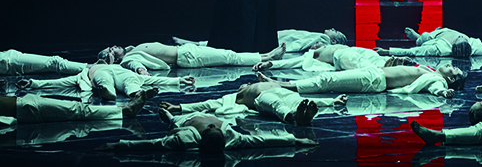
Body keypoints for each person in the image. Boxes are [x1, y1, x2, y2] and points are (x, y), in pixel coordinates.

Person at [96, 108, 317, 153]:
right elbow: (264, 141)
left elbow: (151, 145)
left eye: (210, 129)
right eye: (215, 129)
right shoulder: (233, 138)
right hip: (214, 113)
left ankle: (170, 116)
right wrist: (296, 141)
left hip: (184, 120)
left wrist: (118, 145)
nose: (212, 126)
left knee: (170, 117)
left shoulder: (184, 139)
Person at [160, 81, 347, 125]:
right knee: (275, 104)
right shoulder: (235, 96)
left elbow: (300, 96)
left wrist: (333, 101)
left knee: (301, 101)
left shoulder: (254, 85)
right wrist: (179, 107)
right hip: (262, 98)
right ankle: (292, 116)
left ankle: (304, 114)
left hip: (284, 92)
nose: (245, 84)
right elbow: (207, 104)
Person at [15, 58, 195, 100]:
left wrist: (179, 80)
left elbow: (154, 80)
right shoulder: (89, 70)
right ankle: (109, 92)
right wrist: (34, 83)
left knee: (132, 82)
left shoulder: (120, 66)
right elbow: (60, 82)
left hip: (123, 74)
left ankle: (137, 93)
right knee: (105, 80)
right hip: (101, 76)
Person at [256, 63, 466, 98]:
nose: (451, 65)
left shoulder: (437, 80)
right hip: (373, 73)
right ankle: (284, 85)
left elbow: (437, 88)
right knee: (328, 79)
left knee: (328, 80)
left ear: (451, 78)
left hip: (374, 80)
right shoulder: (431, 71)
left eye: (453, 69)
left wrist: (443, 92)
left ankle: (281, 85)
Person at [100, 41, 285, 74]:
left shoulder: (131, 50)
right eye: (111, 50)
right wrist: (142, 71)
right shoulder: (127, 60)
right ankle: (268, 57)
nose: (114, 46)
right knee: (229, 56)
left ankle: (266, 56)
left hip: (185, 51)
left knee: (228, 54)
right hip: (187, 56)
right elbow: (135, 65)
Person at [0, 90, 147, 124]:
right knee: (76, 109)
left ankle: (123, 109)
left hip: (23, 103)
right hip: (25, 107)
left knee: (76, 109)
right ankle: (125, 110)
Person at [375, 27, 482, 58]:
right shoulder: (474, 46)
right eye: (463, 39)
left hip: (434, 38)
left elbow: (413, 52)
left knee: (424, 38)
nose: (462, 37)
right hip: (443, 30)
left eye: (461, 39)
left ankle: (417, 36)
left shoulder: (439, 49)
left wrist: (388, 51)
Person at [172, 28, 348, 54]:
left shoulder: (323, 39)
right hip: (279, 37)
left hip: (279, 40)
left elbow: (308, 45)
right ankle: (194, 44)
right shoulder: (321, 37)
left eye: (335, 31)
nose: (332, 28)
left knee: (235, 43)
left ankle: (194, 45)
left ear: (334, 41)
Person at [252, 44, 413, 72]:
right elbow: (293, 62)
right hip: (342, 56)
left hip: (357, 51)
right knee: (361, 64)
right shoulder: (313, 55)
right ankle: (385, 68)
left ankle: (394, 64)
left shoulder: (325, 47)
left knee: (374, 57)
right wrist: (271, 64)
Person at [0, 49, 86, 75]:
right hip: (8, 62)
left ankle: (89, 67)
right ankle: (89, 68)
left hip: (7, 58)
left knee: (55, 63)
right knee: (54, 63)